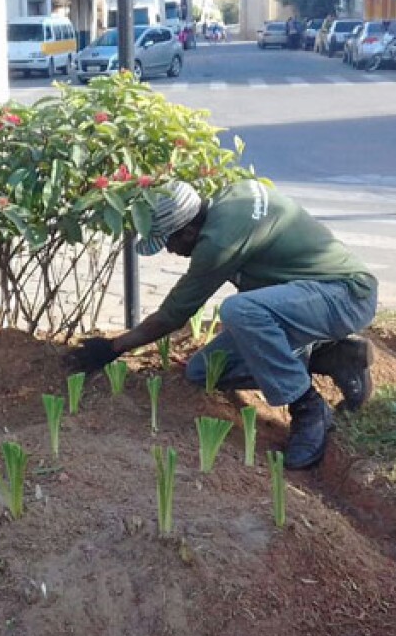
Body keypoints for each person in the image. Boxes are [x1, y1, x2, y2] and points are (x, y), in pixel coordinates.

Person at [69, 179, 378, 471]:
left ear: (188, 231)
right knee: (204, 370)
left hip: (345, 295)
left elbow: (173, 314)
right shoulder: (232, 196)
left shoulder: (218, 243)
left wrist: (112, 348)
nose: (170, 251)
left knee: (240, 311)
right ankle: (336, 357)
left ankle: (308, 408)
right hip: (307, 301)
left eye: (169, 242)